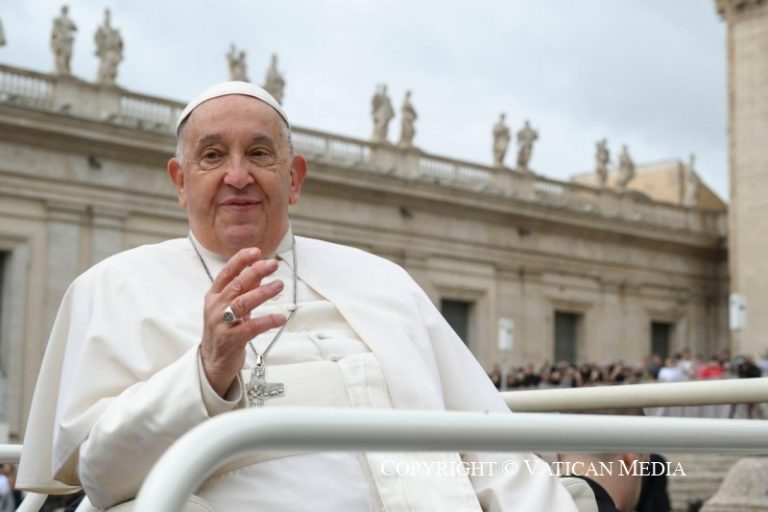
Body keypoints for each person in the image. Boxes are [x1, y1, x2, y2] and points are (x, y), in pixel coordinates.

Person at [18, 81, 578, 511]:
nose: (238, 175)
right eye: (212, 155)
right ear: (180, 181)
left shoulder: (384, 281)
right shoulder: (112, 286)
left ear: (294, 179)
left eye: (260, 154)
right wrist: (206, 373)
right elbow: (103, 474)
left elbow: (488, 444)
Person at [94, 9, 123, 85]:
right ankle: (105, 78)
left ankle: (108, 78)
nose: (108, 20)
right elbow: (98, 37)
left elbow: (120, 43)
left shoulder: (112, 31)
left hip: (112, 51)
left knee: (111, 65)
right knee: (106, 65)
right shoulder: (104, 29)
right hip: (107, 52)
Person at [51, 5, 77, 75]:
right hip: (61, 39)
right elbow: (54, 33)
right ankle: (61, 69)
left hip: (68, 39)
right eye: (65, 9)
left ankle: (65, 69)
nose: (66, 11)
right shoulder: (58, 19)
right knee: (62, 54)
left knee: (68, 54)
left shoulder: (68, 20)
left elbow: (75, 28)